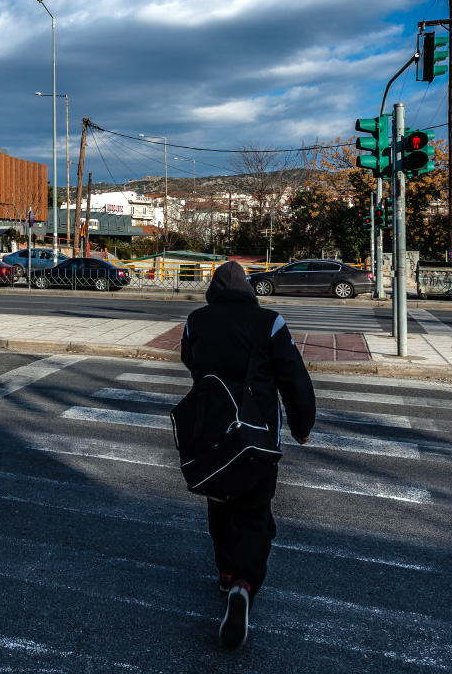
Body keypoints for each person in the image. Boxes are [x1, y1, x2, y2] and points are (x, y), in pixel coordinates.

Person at [181, 260, 316, 650]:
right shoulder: (269, 322)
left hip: (211, 432)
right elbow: (293, 377)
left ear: (213, 289)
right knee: (255, 515)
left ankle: (225, 572)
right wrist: (301, 424)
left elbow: (190, 362)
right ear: (249, 289)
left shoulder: (196, 320)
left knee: (219, 502)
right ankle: (244, 582)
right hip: (257, 437)